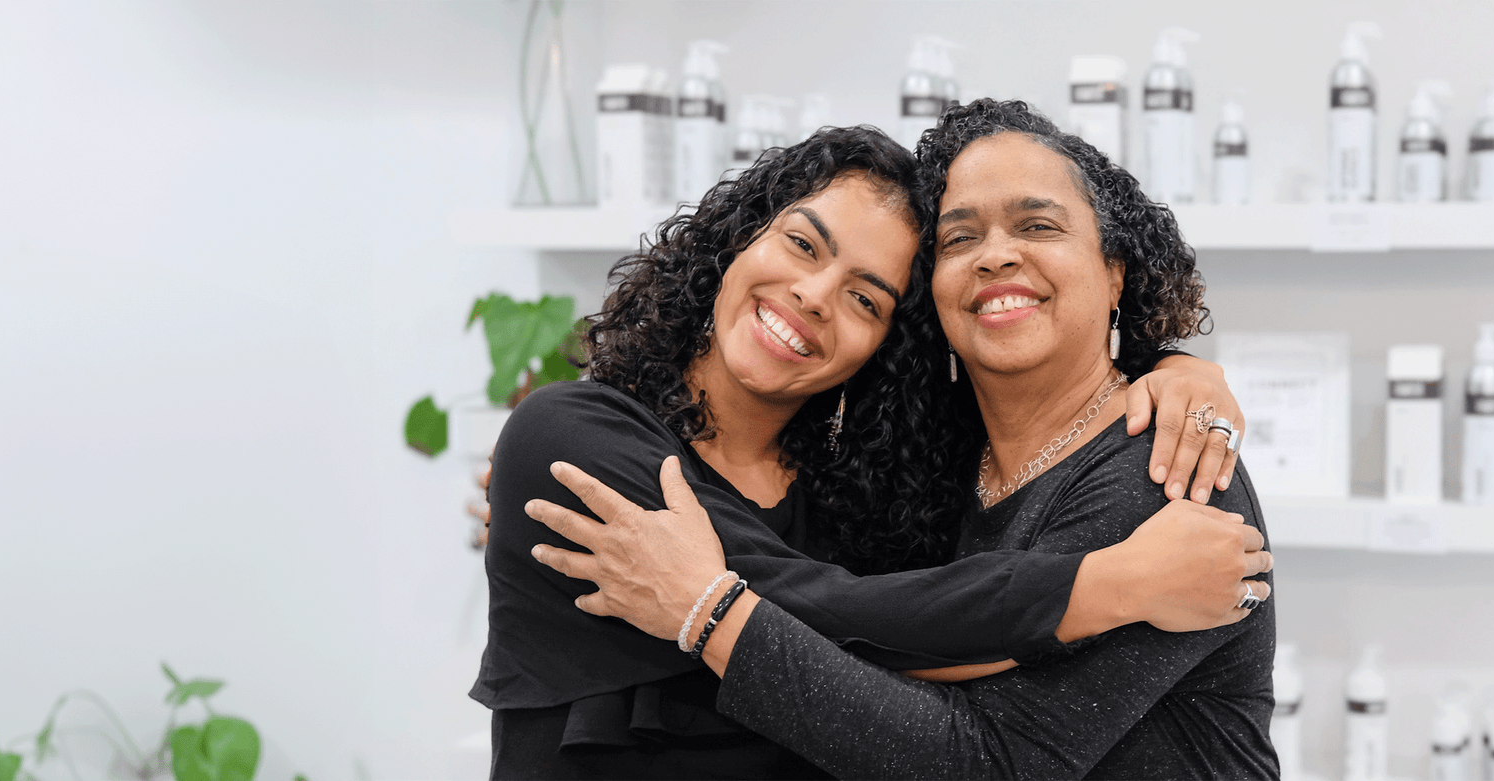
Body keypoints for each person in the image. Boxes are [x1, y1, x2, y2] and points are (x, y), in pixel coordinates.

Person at [476, 124, 1268, 779]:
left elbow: (925, 675)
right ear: (735, 239)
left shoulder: (1163, 469)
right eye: (800, 244)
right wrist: (1108, 585)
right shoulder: (574, 436)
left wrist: (1178, 366)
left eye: (866, 297)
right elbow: (867, 626)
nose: (815, 296)